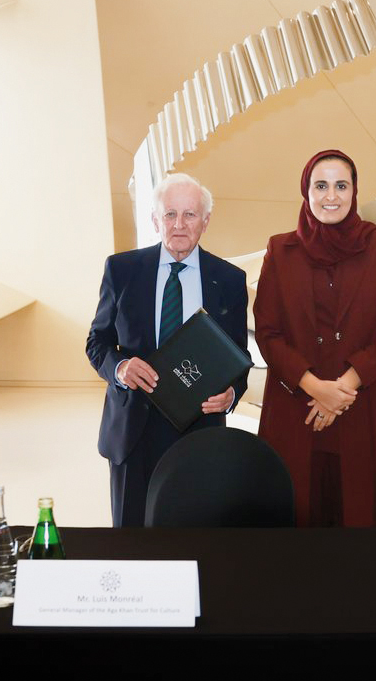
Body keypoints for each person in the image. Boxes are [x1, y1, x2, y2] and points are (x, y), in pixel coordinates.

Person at [254, 149, 376, 527]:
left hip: (366, 405)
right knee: (297, 526)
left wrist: (342, 389)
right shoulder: (280, 250)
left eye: (341, 186)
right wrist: (314, 387)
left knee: (368, 527)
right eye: (321, 185)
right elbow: (268, 332)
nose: (331, 196)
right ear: (306, 192)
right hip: (297, 409)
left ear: (354, 191)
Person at [86, 173, 249, 527]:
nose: (179, 225)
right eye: (170, 214)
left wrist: (232, 393)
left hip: (200, 431)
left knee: (194, 539)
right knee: (131, 543)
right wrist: (120, 367)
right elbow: (96, 342)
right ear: (155, 219)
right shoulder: (122, 270)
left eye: (190, 215)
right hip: (133, 431)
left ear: (205, 222)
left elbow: (239, 358)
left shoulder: (230, 280)